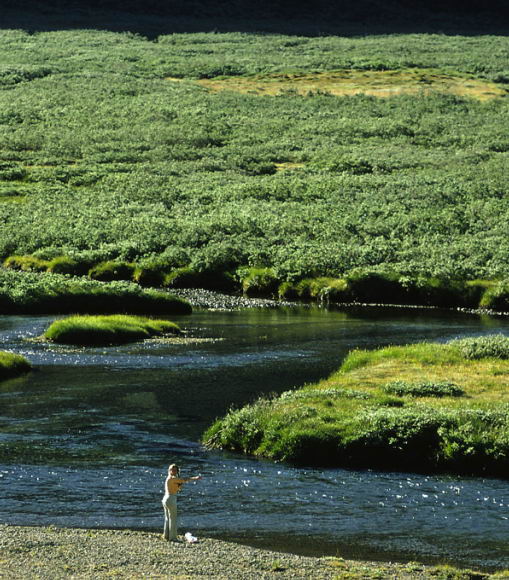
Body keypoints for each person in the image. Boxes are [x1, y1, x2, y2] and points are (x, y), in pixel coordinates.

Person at [162, 463, 202, 542]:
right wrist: (195, 478)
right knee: (173, 519)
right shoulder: (173, 478)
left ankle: (166, 535)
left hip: (165, 498)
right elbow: (184, 479)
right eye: (172, 470)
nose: (173, 471)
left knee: (167, 518)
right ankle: (172, 537)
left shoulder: (169, 478)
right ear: (170, 471)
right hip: (171, 498)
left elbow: (179, 485)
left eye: (174, 470)